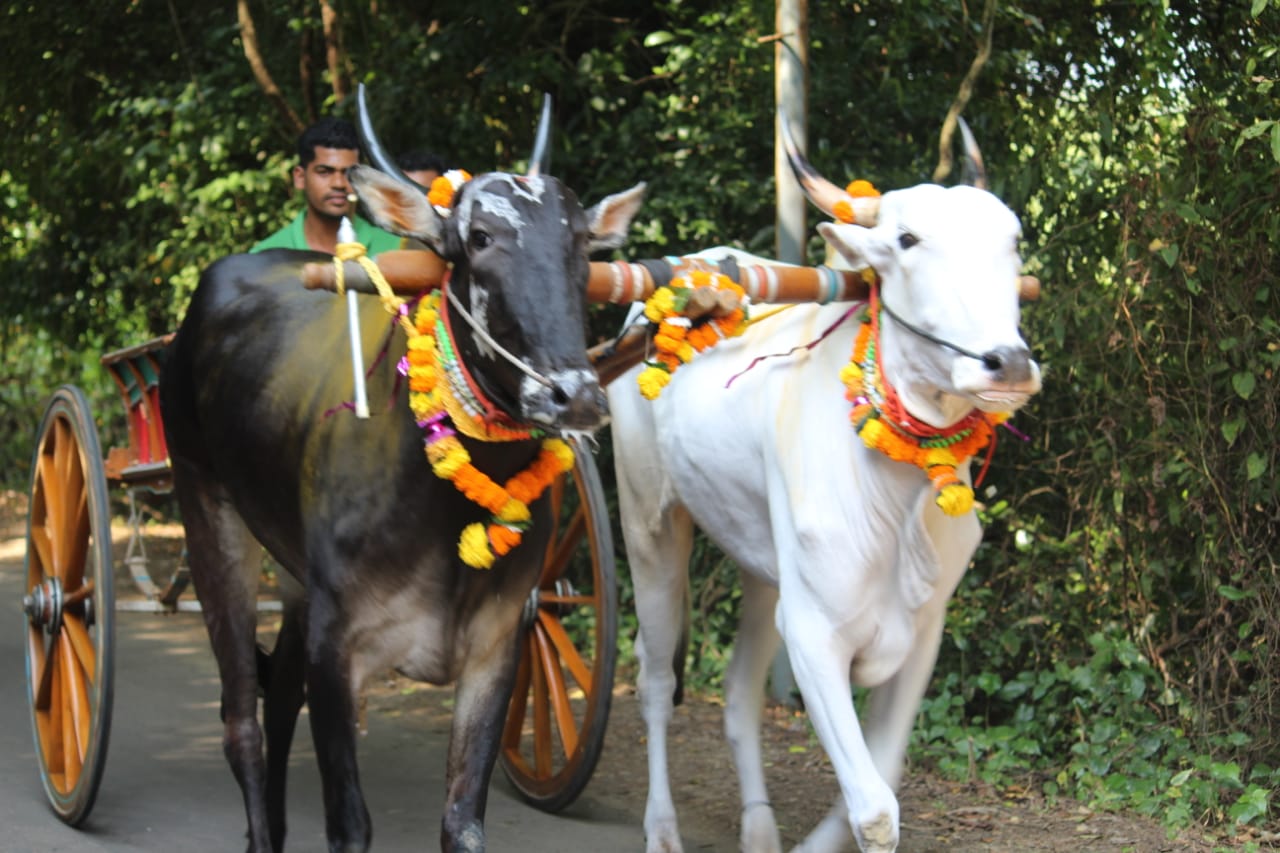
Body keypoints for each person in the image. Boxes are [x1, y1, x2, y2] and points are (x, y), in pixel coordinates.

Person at [251, 116, 403, 257]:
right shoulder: (266, 257)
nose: (339, 184)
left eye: (349, 173)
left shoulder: (396, 250)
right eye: (324, 172)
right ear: (300, 177)